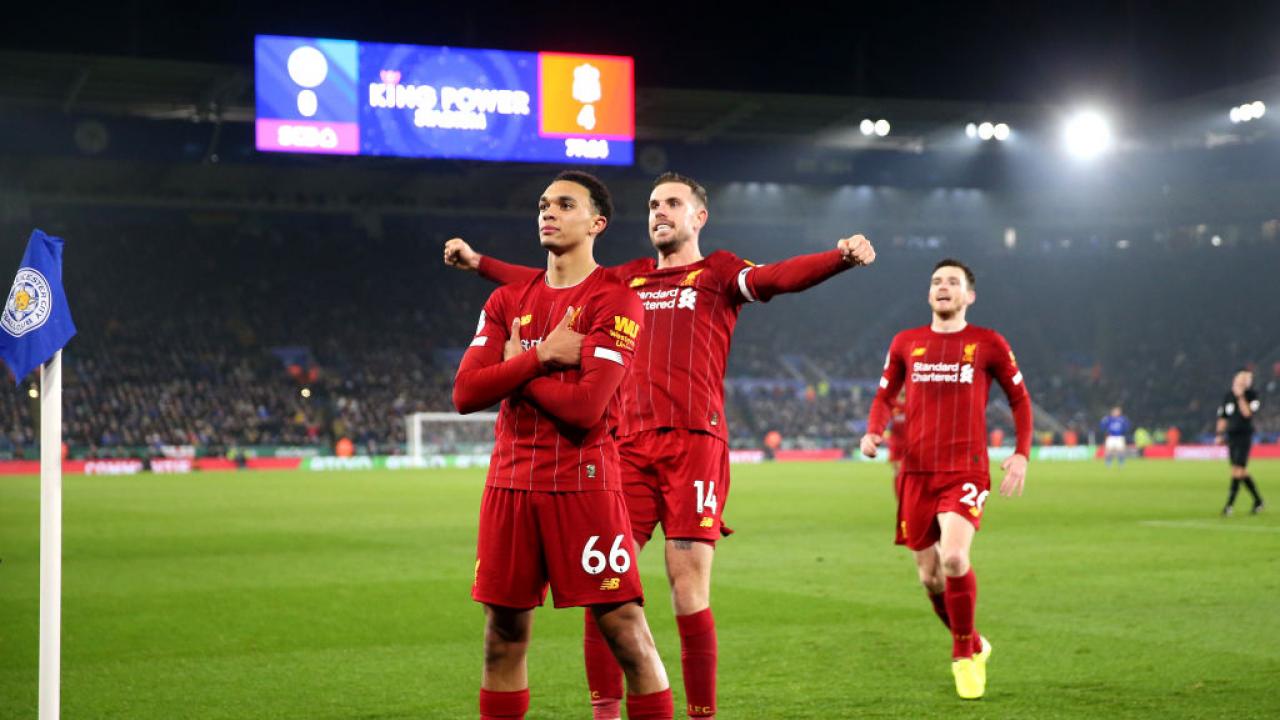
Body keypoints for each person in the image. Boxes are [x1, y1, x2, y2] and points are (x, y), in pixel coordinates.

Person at [446, 171, 875, 719]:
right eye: (652, 204)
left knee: (686, 583)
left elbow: (775, 278)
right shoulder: (629, 281)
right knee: (601, 587)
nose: (660, 212)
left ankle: (700, 714)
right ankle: (605, 710)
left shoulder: (717, 272)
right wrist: (481, 265)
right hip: (625, 445)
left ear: (699, 217)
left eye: (673, 203)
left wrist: (837, 257)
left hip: (694, 442)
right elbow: (548, 279)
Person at [452, 170, 673, 720]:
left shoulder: (616, 302)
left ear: (596, 222)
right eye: (543, 204)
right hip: (508, 485)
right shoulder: (506, 299)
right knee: (502, 637)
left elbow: (585, 409)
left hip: (584, 486)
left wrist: (513, 368)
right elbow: (464, 392)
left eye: (564, 204)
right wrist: (542, 357)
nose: (547, 212)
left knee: (626, 632)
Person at [860, 258, 1033, 701]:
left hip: (965, 469)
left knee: (954, 559)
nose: (943, 287)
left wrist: (1020, 454)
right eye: (937, 282)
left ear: (968, 296)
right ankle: (974, 640)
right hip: (915, 474)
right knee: (929, 577)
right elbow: (884, 394)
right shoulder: (906, 343)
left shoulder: (988, 343)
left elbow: (1020, 399)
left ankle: (962, 656)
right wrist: (873, 431)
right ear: (929, 293)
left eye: (952, 282)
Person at [1216, 368, 1264, 516]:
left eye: (1246, 379)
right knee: (1240, 472)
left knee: (1237, 470)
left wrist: (1240, 397)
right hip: (1231, 436)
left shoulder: (1252, 396)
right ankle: (1258, 501)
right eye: (1241, 378)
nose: (1244, 381)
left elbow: (1247, 413)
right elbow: (1223, 417)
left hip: (1245, 435)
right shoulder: (1228, 396)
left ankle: (1229, 506)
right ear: (1235, 379)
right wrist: (1219, 434)